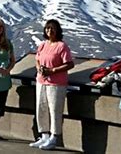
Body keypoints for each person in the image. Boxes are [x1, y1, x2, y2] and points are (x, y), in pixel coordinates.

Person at [29, 19, 74, 150]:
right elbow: (37, 59)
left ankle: (54, 137)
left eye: (52, 28)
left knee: (54, 110)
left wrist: (53, 70)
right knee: (41, 107)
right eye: (47, 28)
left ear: (57, 30)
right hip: (41, 81)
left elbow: (69, 63)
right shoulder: (43, 45)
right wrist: (39, 68)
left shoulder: (62, 46)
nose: (49, 31)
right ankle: (44, 135)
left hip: (56, 83)